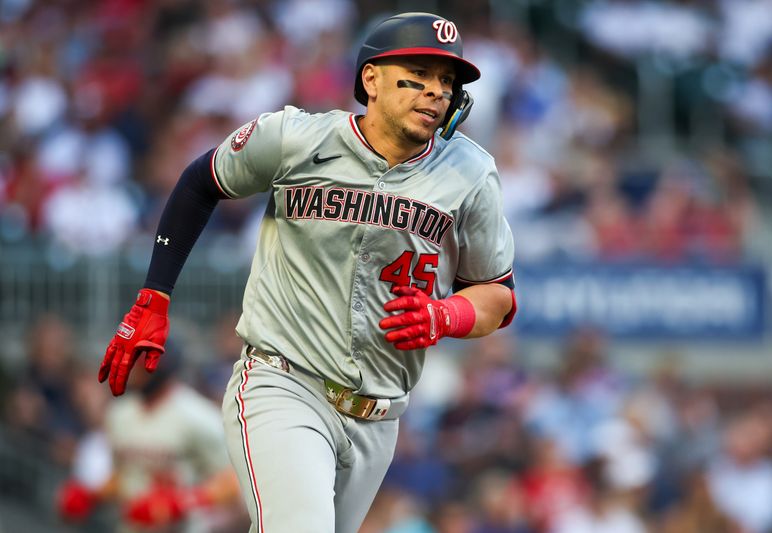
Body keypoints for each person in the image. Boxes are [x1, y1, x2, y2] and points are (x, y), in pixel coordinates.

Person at [98, 11, 516, 533]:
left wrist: (446, 314)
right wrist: (154, 294)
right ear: (372, 79)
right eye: (420, 72)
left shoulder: (470, 173)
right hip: (283, 381)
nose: (437, 91)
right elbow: (200, 181)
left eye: (447, 80)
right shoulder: (295, 138)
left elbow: (497, 297)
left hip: (377, 417)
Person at [61, 345, 242, 532]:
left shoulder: (200, 416)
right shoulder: (119, 413)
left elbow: (233, 483)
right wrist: (91, 494)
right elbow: (125, 478)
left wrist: (180, 503)